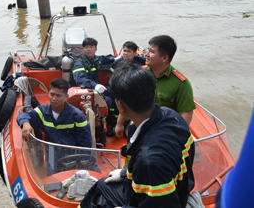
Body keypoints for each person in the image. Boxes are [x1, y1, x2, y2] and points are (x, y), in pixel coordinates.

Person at [80, 63, 195, 208]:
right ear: (153, 92)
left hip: (161, 198)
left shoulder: (149, 161)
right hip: (174, 187)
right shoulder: (171, 115)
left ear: (120, 105)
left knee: (95, 198)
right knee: (101, 186)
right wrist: (125, 173)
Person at [115, 35, 195, 137]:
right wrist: (119, 124)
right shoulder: (138, 75)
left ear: (165, 58)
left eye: (151, 52)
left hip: (164, 130)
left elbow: (186, 113)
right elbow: (127, 101)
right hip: (139, 127)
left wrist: (173, 135)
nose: (146, 54)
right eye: (147, 50)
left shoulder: (181, 83)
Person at [17, 78, 92, 148]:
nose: (53, 98)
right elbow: (23, 115)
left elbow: (85, 144)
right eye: (52, 94)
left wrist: (82, 161)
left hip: (72, 158)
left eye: (58, 95)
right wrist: (25, 124)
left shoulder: (77, 116)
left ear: (67, 97)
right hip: (51, 157)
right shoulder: (42, 111)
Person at [72, 37, 116, 128]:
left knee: (115, 92)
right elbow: (80, 80)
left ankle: (112, 117)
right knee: (108, 100)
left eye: (91, 47)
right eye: (86, 47)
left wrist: (116, 59)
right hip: (85, 89)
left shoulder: (95, 59)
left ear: (96, 49)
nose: (89, 49)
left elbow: (105, 59)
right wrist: (94, 85)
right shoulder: (79, 63)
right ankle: (102, 120)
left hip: (96, 88)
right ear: (83, 49)